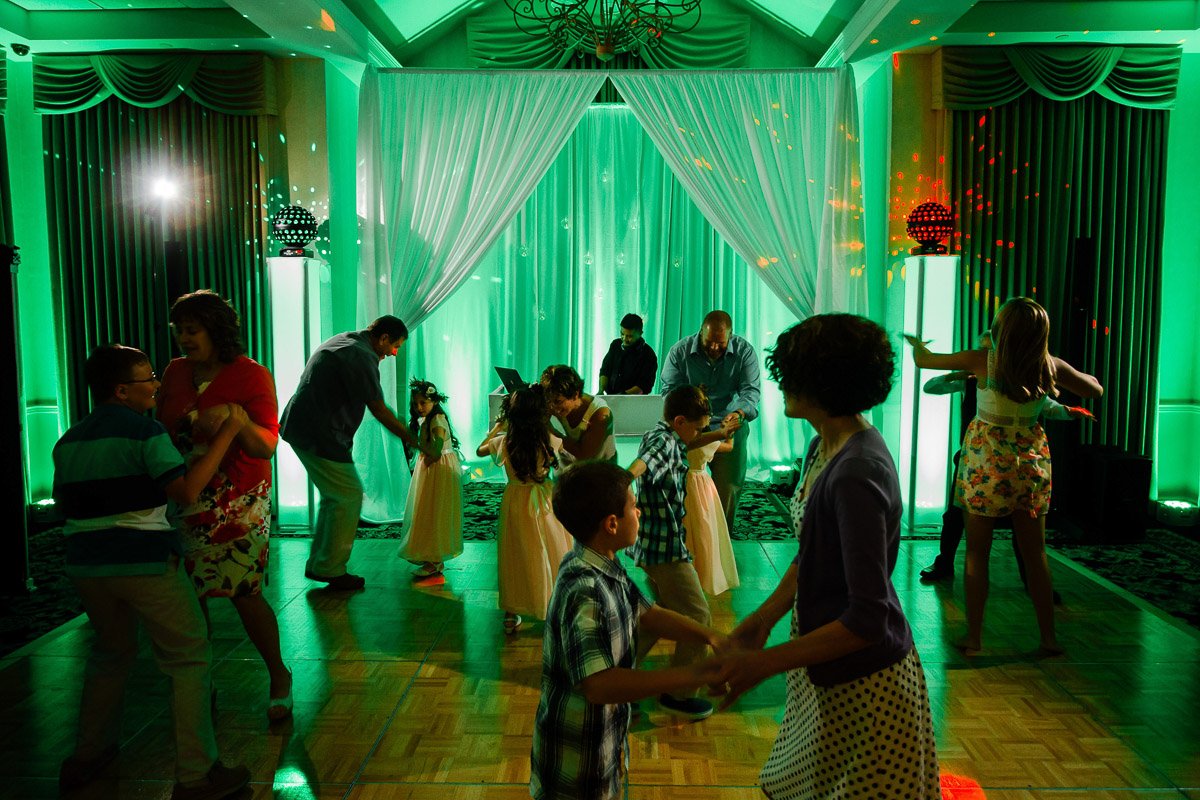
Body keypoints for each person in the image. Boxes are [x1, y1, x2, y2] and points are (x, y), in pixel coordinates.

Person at [721, 314, 941, 800]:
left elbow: (867, 621)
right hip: (824, 661)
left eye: (791, 374)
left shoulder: (855, 472)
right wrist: (763, 620)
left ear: (822, 382)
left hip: (865, 684)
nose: (781, 385)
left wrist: (763, 664)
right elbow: (812, 552)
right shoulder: (824, 445)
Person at [53, 344, 252, 800]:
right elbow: (186, 491)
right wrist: (228, 433)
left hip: (85, 564)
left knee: (110, 653)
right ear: (122, 391)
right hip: (143, 559)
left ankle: (87, 756)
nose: (157, 386)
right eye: (148, 379)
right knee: (188, 656)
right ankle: (197, 776)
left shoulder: (69, 440)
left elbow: (67, 504)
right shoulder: (145, 431)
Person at [907, 296, 1103, 654]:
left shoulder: (981, 360)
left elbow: (925, 361)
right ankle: (1048, 639)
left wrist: (917, 345)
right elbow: (1095, 389)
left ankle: (974, 638)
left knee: (976, 554)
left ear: (1000, 329)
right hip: (1030, 466)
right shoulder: (1050, 366)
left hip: (986, 466)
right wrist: (1069, 372)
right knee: (1035, 555)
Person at [530, 461, 729, 800]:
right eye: (633, 506)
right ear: (611, 524)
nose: (639, 512)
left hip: (602, 746)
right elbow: (599, 684)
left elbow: (648, 614)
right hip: (576, 764)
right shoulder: (584, 589)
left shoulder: (604, 562)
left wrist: (710, 636)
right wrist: (694, 673)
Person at [156, 290, 292, 722]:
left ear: (216, 330)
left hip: (238, 500)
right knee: (189, 598)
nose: (184, 339)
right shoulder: (176, 371)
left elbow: (266, 445)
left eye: (192, 330)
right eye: (179, 330)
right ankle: (199, 681)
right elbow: (162, 428)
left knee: (243, 593)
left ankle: (279, 675)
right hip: (186, 494)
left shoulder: (251, 375)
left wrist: (237, 420)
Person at [919, 359, 1093, 591]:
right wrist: (956, 375)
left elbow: (1047, 406)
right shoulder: (972, 381)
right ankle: (944, 563)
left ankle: (1031, 580)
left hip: (1016, 462)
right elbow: (930, 387)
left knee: (1022, 521)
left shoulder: (1024, 381)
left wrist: (1069, 412)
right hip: (974, 458)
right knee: (955, 515)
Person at [279, 315, 419, 591]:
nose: (394, 353)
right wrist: (413, 440)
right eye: (395, 346)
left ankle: (321, 564)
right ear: (383, 338)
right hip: (320, 434)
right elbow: (379, 409)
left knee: (336, 497)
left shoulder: (345, 340)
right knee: (349, 495)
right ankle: (330, 568)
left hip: (302, 426)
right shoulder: (361, 356)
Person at [626, 385, 739, 720]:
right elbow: (644, 463)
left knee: (660, 616)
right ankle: (679, 693)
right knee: (697, 618)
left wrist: (717, 433)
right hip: (666, 550)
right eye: (698, 428)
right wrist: (622, 480)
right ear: (679, 421)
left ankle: (619, 678)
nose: (699, 434)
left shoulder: (663, 434)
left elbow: (685, 444)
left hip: (654, 545)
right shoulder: (662, 443)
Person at [476, 385, 571, 634]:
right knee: (549, 549)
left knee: (515, 553)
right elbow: (565, 454)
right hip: (544, 499)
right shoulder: (548, 440)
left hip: (516, 500)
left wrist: (498, 427)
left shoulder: (505, 441)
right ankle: (555, 604)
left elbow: (479, 450)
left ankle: (512, 610)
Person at [659, 310, 761, 530]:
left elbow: (751, 392)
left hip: (730, 421)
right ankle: (686, 533)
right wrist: (692, 406)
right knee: (683, 484)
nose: (714, 347)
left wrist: (738, 414)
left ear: (731, 336)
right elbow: (668, 392)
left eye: (720, 343)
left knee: (729, 486)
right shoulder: (679, 351)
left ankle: (722, 535)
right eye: (709, 342)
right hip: (690, 425)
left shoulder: (745, 351)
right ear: (700, 333)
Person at [397, 379, 464, 579]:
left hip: (438, 470)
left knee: (435, 510)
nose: (419, 407)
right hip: (432, 468)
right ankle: (431, 556)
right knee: (428, 509)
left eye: (423, 403)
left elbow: (436, 449)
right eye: (415, 404)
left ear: (434, 401)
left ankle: (434, 558)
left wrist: (424, 455)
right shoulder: (429, 419)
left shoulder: (437, 420)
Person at [684, 426, 740, 596]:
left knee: (688, 524)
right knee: (705, 525)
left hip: (683, 481)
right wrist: (730, 433)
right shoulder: (706, 440)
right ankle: (705, 570)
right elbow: (728, 447)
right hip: (701, 483)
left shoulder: (681, 438)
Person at [540, 364, 617, 465]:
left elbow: (584, 454)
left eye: (558, 402)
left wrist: (551, 431)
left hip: (601, 470)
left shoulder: (600, 414)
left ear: (575, 394)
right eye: (549, 401)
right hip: (571, 469)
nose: (553, 407)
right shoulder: (556, 401)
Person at [598, 313, 658, 395]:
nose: (624, 339)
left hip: (633, 400)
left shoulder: (648, 355)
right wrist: (601, 390)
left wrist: (621, 396)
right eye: (622, 334)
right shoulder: (615, 345)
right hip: (611, 397)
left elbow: (643, 386)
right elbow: (605, 371)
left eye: (629, 336)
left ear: (640, 333)